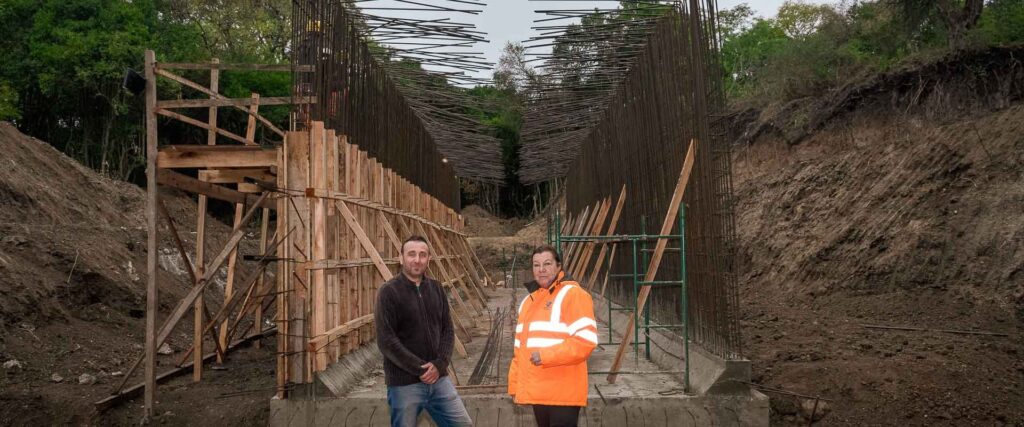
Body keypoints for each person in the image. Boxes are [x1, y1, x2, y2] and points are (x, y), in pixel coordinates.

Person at [375, 235, 473, 427]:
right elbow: (386, 340)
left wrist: (439, 364)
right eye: (411, 254)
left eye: (422, 254)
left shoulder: (436, 288)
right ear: (400, 258)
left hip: (439, 380)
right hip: (405, 384)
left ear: (428, 259)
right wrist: (420, 369)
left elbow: (447, 330)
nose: (417, 259)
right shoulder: (389, 292)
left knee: (463, 424)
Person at [508, 245, 599, 427]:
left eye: (547, 264)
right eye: (536, 265)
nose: (541, 270)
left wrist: (545, 355)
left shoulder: (573, 295)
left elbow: (586, 341)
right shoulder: (529, 301)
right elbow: (520, 350)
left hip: (562, 394)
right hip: (538, 391)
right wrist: (515, 383)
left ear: (559, 267)